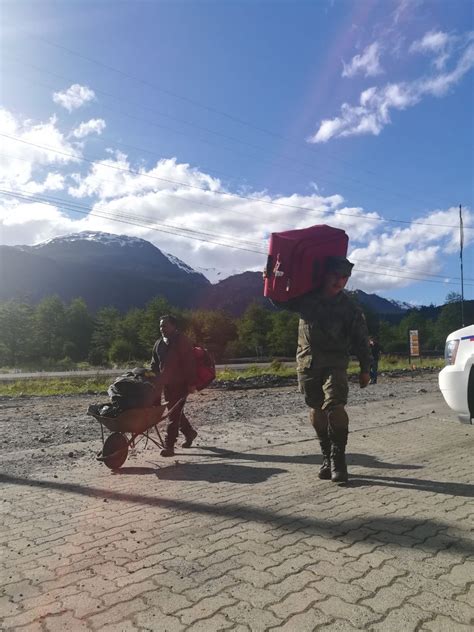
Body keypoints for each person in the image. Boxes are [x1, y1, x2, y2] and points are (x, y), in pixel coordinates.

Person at [274, 256, 371, 483]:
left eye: (344, 277)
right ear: (325, 275)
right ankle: (326, 455)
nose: (340, 281)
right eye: (336, 275)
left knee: (335, 406)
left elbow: (361, 340)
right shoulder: (306, 299)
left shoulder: (350, 309)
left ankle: (339, 459)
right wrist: (272, 277)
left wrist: (365, 369)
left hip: (335, 364)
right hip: (307, 364)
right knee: (316, 409)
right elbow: (278, 301)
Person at [150, 315, 197, 457]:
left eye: (165, 325)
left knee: (173, 415)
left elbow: (190, 363)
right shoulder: (158, 344)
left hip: (181, 384)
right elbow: (154, 365)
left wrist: (191, 383)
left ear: (173, 326)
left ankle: (169, 446)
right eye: (160, 326)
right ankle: (190, 433)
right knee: (175, 411)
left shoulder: (182, 341)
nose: (162, 328)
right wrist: (151, 381)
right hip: (167, 385)